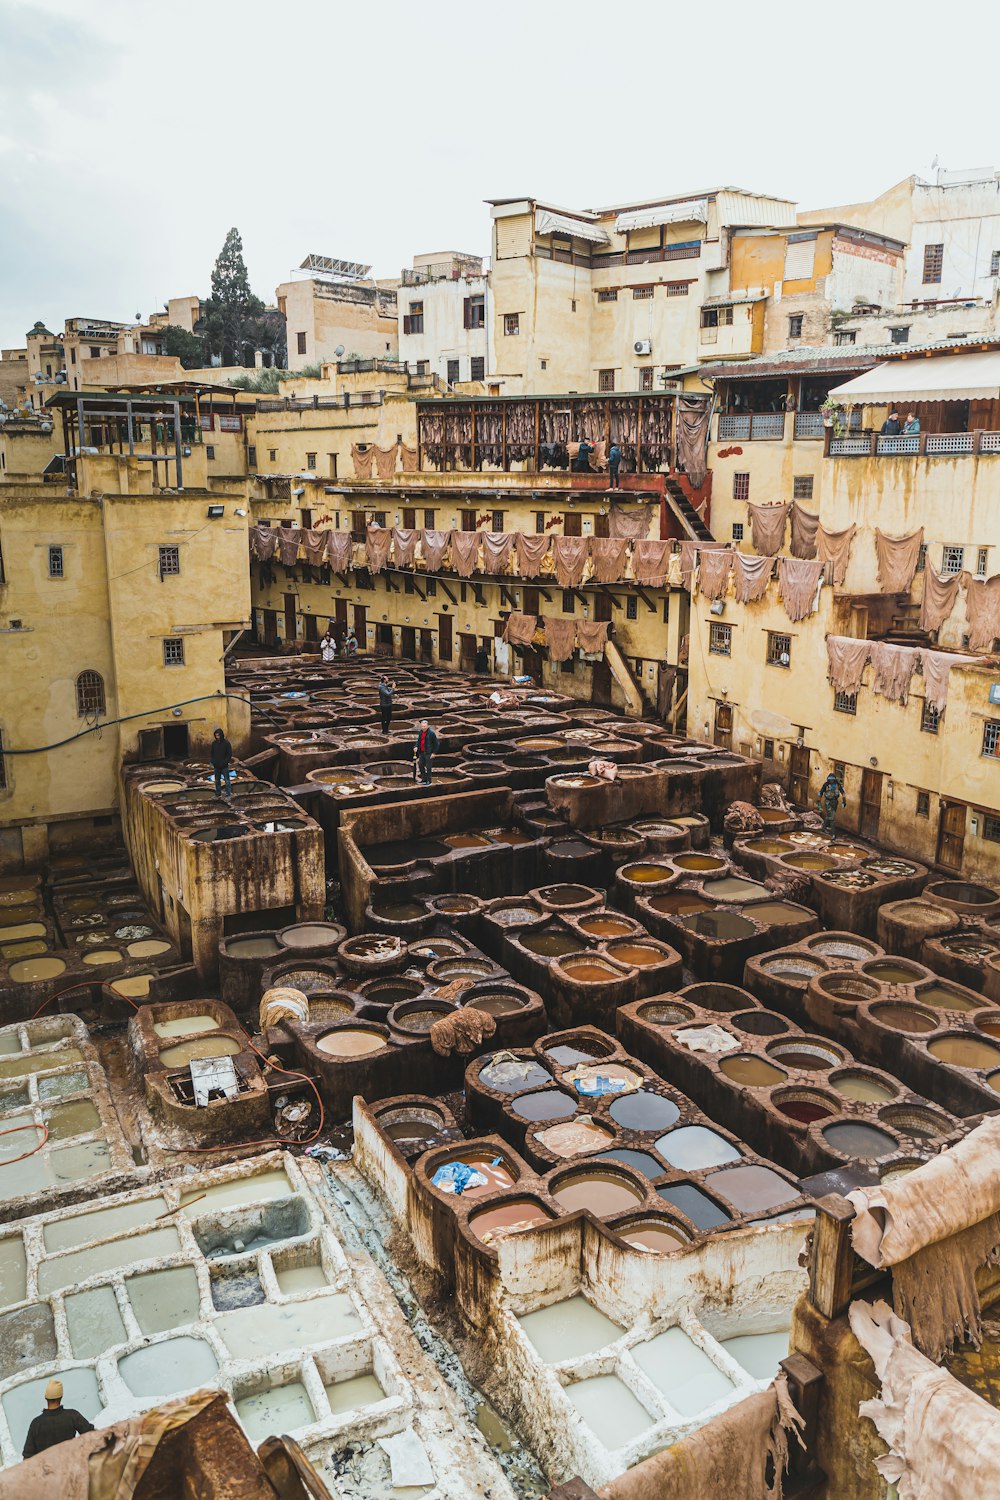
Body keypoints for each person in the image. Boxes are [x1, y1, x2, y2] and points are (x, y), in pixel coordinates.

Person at [22, 1379, 94, 1459]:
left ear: (46, 1398)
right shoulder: (72, 1415)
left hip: (47, 1470)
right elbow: (93, 1435)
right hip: (71, 1467)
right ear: (61, 1397)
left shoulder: (36, 1423)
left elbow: (27, 1456)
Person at [817, 771, 846, 838]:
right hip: (828, 802)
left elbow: (843, 793)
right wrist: (819, 803)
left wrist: (844, 801)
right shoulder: (826, 785)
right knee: (832, 818)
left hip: (835, 802)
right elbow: (820, 793)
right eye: (830, 780)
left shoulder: (838, 785)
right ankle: (833, 834)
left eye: (832, 780)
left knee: (829, 816)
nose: (831, 781)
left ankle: (824, 828)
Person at [413, 719, 439, 785]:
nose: (423, 728)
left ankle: (429, 781)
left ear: (427, 726)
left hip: (429, 752)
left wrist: (434, 753)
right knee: (420, 765)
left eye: (424, 726)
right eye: (422, 726)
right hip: (422, 752)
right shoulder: (421, 732)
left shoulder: (431, 733)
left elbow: (437, 744)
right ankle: (424, 779)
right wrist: (416, 746)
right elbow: (418, 741)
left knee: (428, 767)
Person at [210, 727, 233, 799]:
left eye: (218, 735)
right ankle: (218, 794)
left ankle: (228, 795)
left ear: (221, 735)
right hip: (216, 766)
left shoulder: (226, 743)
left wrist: (225, 762)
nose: (217, 737)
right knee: (217, 780)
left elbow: (229, 754)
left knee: (227, 781)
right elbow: (212, 753)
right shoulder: (214, 743)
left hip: (224, 766)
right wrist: (213, 762)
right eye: (216, 735)